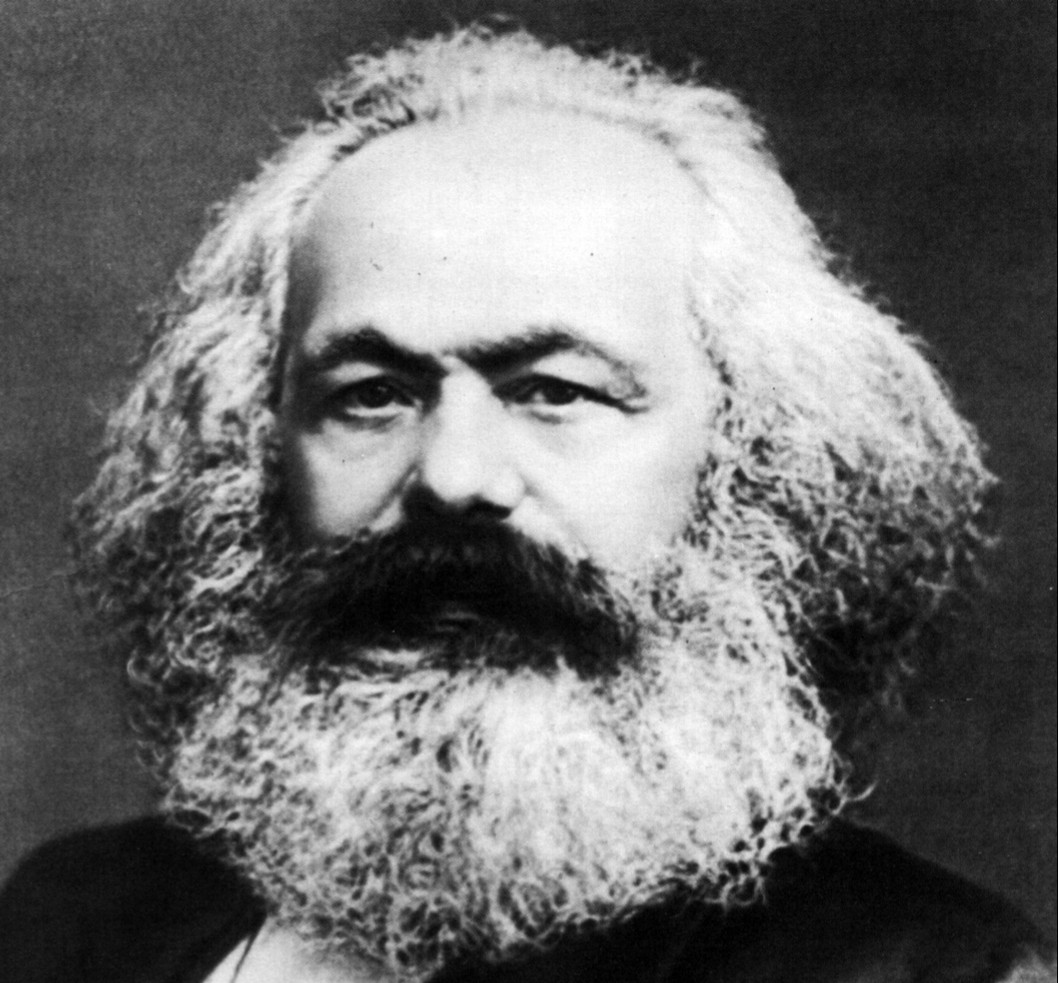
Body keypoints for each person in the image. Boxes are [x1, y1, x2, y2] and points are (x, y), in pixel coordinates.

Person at [0, 25, 1051, 983]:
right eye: (371, 395)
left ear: (749, 454)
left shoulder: (927, 969)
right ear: (258, 454)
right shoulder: (73, 922)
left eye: (555, 390)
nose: (454, 475)